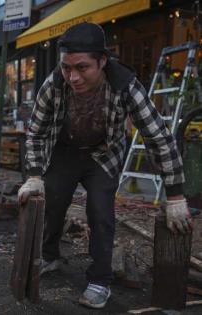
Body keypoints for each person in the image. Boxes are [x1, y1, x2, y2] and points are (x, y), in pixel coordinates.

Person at [18, 23, 192, 309]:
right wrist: (34, 175)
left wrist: (175, 195)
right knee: (53, 203)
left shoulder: (126, 86)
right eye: (66, 68)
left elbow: (157, 136)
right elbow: (36, 131)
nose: (73, 77)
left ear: (102, 61)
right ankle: (49, 255)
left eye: (82, 67)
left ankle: (100, 280)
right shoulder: (54, 84)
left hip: (103, 155)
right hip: (63, 152)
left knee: (101, 212)